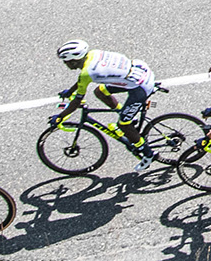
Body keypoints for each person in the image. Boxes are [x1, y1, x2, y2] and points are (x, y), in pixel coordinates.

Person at [56, 39, 165, 167]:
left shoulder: (87, 73)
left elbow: (77, 99)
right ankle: (123, 113)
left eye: (65, 61)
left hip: (140, 86)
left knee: (124, 123)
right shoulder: (93, 54)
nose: (65, 64)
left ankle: (147, 154)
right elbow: (82, 80)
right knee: (100, 91)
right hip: (139, 72)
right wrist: (70, 91)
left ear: (73, 61)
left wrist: (60, 117)